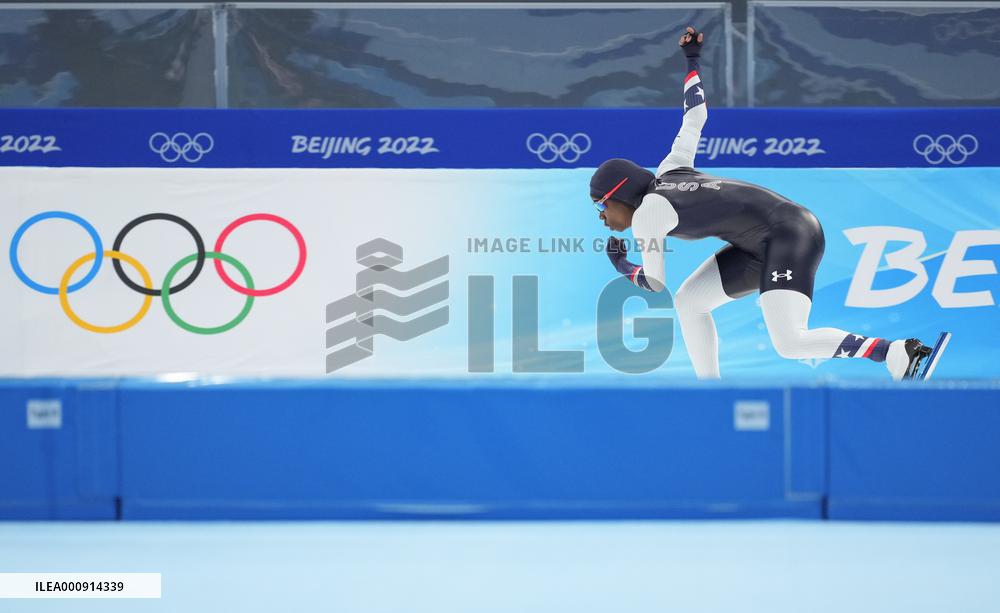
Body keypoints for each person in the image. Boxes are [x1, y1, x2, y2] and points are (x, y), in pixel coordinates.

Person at [591, 26, 943, 380]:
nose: (603, 217)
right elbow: (695, 116)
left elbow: (654, 283)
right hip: (762, 240)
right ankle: (710, 391)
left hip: (789, 234)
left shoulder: (649, 214)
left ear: (620, 193)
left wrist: (621, 264)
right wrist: (692, 60)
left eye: (602, 206)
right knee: (690, 302)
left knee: (790, 341)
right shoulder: (671, 167)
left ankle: (894, 352)